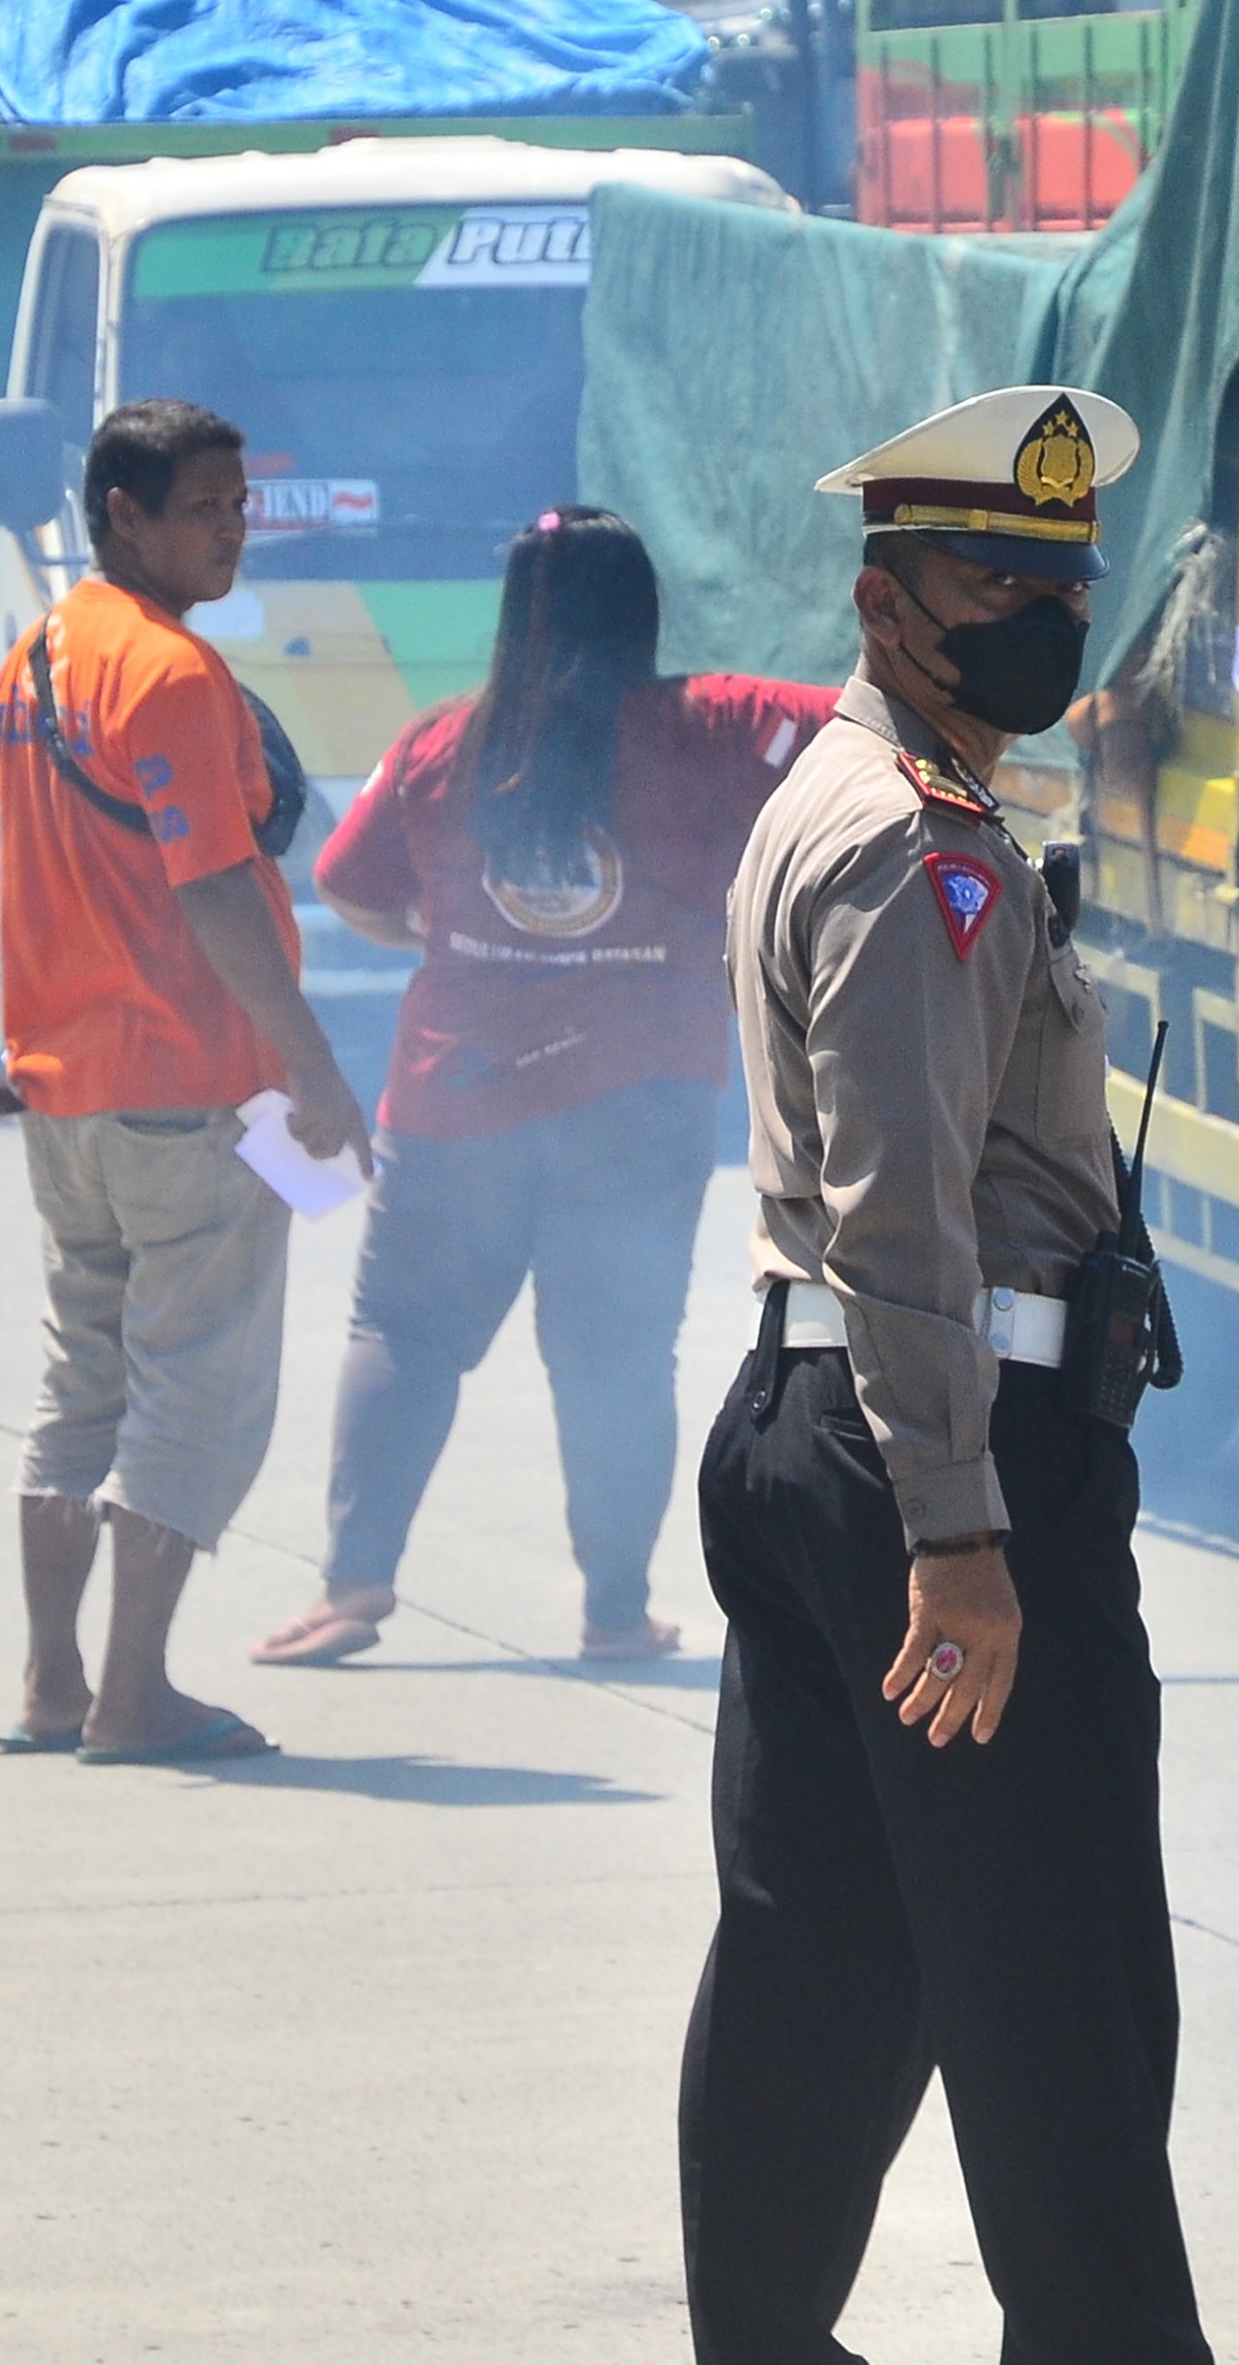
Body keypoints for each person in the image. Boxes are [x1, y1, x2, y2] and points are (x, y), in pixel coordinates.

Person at [679, 385, 1212, 2365]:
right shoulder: (924, 847)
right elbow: (899, 1214)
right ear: (888, 603)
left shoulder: (870, 805)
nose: (1044, 617)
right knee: (1056, 1991)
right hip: (939, 1450)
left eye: (1066, 581)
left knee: (822, 1961)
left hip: (818, 1428)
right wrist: (965, 1538)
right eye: (1001, 579)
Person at [256, 509, 829, 1669]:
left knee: (404, 1334)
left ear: (514, 617)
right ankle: (615, 1612)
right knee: (616, 1360)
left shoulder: (440, 748)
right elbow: (868, 739)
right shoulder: (719, 724)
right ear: (642, 609)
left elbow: (348, 888)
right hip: (641, 1104)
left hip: (455, 1098)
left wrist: (438, 923)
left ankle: (354, 1586)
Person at [0, 396, 371, 1768]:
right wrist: (314, 1070)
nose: (230, 528)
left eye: (237, 502)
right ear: (122, 518)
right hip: (187, 1085)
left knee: (79, 1374)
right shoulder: (171, 675)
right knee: (192, 1388)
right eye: (201, 507)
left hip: (67, 1085)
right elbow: (212, 884)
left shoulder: (35, 659)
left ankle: (49, 1679)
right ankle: (132, 1695)